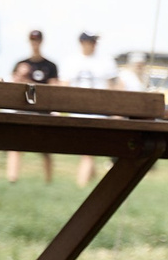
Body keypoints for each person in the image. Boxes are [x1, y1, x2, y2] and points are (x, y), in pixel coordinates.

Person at [6, 30, 61, 182]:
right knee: (15, 147)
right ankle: (12, 179)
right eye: (32, 40)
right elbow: (12, 87)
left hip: (43, 111)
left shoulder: (50, 66)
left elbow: (53, 89)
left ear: (41, 41)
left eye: (37, 40)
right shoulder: (21, 64)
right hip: (23, 109)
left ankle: (48, 181)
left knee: (45, 149)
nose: (35, 43)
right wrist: (20, 75)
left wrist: (29, 81)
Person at [69, 32, 112, 187]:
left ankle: (82, 183)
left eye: (94, 41)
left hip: (98, 112)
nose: (93, 44)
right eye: (90, 41)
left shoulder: (105, 61)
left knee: (88, 151)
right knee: (87, 151)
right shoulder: (72, 61)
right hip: (77, 111)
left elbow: (113, 85)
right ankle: (89, 180)